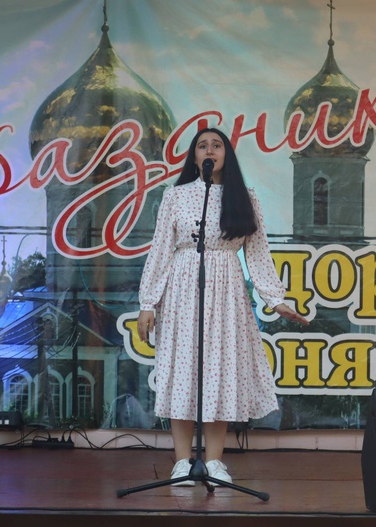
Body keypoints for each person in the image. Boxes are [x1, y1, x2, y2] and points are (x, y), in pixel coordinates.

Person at [137, 127, 308, 486]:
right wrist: (148, 302)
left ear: (226, 155)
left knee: (219, 372)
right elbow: (160, 249)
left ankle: (214, 462)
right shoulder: (176, 195)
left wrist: (275, 300)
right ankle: (182, 462)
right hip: (182, 289)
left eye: (217, 145)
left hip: (227, 290)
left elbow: (258, 252)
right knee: (183, 372)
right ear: (194, 156)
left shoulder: (244, 196)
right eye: (203, 146)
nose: (210, 151)